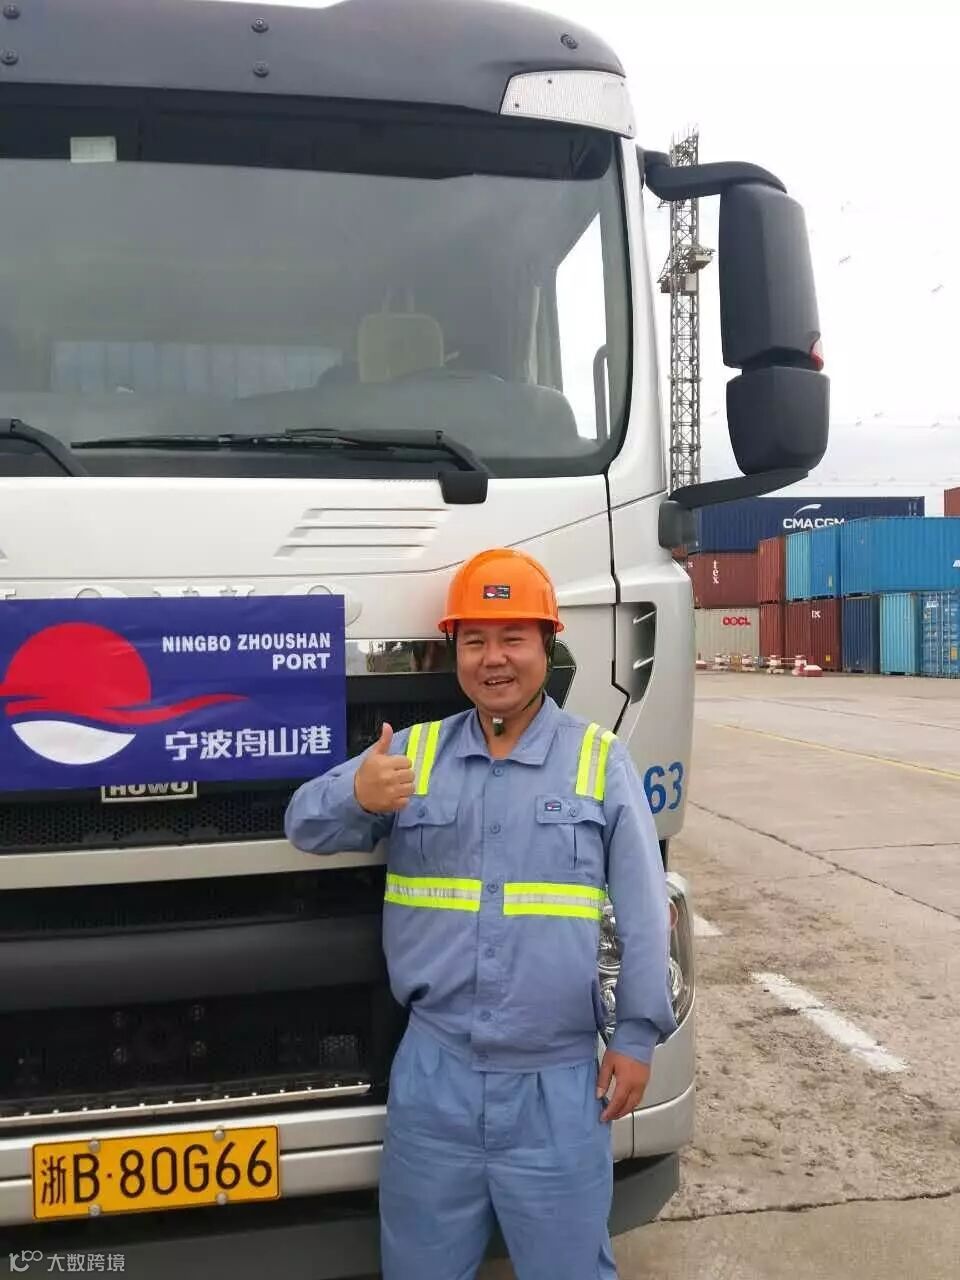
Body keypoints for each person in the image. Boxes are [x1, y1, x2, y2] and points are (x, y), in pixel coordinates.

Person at [285, 547, 677, 1280]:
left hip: (559, 1084)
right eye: (474, 641)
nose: (493, 659)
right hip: (435, 1079)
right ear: (455, 653)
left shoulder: (599, 761)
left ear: (547, 646)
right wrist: (356, 794)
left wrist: (636, 1035)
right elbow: (303, 824)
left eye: (512, 638)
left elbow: (644, 910)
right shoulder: (412, 757)